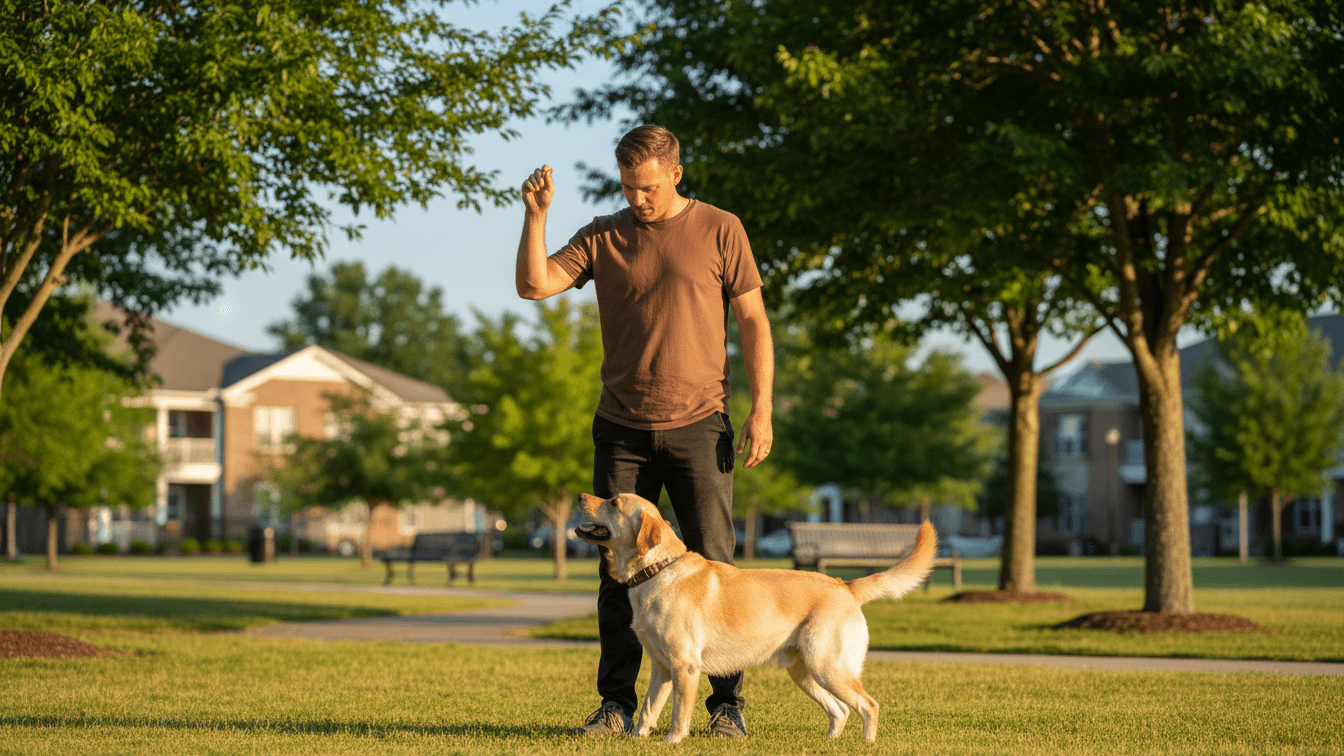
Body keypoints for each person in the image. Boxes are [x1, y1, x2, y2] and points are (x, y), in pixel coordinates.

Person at [515, 124, 774, 739]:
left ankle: (726, 707)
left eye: (649, 187)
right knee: (615, 569)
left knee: (716, 567)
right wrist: (536, 217)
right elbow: (534, 285)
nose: (638, 199)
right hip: (622, 428)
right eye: (629, 187)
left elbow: (755, 321)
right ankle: (614, 705)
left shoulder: (721, 228)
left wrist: (762, 407)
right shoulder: (603, 235)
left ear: (676, 174)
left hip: (698, 425)